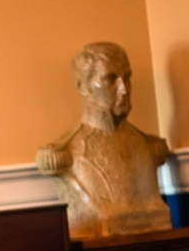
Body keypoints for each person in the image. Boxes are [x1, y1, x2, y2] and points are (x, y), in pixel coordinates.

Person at [36, 41, 172, 239]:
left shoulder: (150, 147)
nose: (123, 89)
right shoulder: (64, 154)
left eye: (127, 78)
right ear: (83, 87)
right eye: (110, 79)